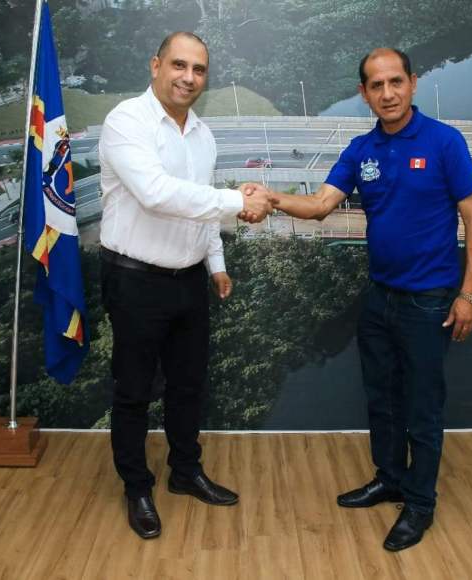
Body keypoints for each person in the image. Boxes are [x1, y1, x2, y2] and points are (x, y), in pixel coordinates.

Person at [260, 48, 472, 551]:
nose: (388, 93)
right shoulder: (361, 150)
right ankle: (390, 479)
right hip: (380, 298)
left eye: (395, 82)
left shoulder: (444, 141)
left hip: (430, 302)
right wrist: (271, 199)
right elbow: (320, 205)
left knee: (422, 407)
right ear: (364, 93)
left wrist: (469, 293)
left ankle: (420, 504)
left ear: (412, 83)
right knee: (382, 399)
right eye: (376, 85)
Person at [98, 31, 272, 540]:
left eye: (198, 70)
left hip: (190, 280)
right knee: (134, 391)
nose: (188, 78)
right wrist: (240, 202)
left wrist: (216, 263)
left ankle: (185, 471)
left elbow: (199, 206)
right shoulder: (126, 121)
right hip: (134, 280)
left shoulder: (202, 134)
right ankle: (137, 487)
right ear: (155, 65)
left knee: (188, 385)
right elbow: (156, 194)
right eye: (179, 65)